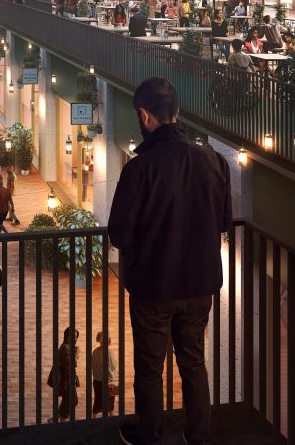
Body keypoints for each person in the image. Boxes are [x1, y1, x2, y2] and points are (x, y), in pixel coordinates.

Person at [109, 77, 231, 445]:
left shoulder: (139, 169)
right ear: (176, 112)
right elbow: (224, 222)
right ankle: (199, 435)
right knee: (193, 363)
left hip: (153, 287)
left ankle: (149, 435)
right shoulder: (213, 161)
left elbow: (119, 234)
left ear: (144, 116)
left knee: (149, 368)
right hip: (200, 285)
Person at [50, 327, 79, 421]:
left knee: (69, 400)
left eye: (76, 336)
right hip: (64, 379)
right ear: (67, 336)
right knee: (71, 401)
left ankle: (55, 419)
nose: (75, 338)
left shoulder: (67, 346)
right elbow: (73, 363)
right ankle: (62, 420)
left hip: (67, 378)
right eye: (72, 336)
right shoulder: (66, 348)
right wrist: (77, 354)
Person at [91, 332, 118, 416]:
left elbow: (93, 366)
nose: (110, 339)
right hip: (108, 382)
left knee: (97, 402)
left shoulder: (95, 351)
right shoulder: (109, 352)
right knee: (110, 406)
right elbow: (112, 366)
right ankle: (111, 424)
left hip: (97, 381)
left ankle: (94, 421)